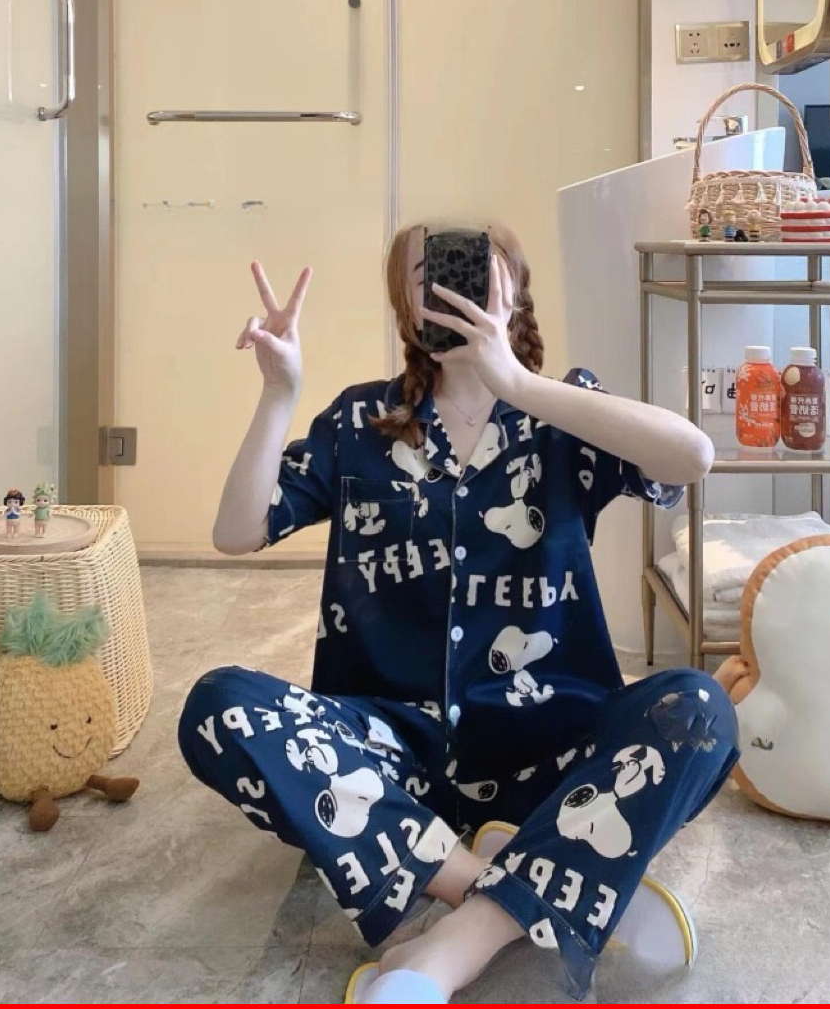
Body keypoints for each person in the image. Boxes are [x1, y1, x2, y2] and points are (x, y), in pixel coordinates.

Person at [179, 223, 739, 1004]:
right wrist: (279, 392)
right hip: (391, 755)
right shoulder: (359, 422)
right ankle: (512, 882)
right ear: (404, 308)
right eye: (426, 277)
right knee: (219, 706)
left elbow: (692, 457)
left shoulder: (564, 412)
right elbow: (237, 531)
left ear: (514, 291)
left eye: (474, 271)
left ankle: (453, 947)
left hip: (555, 748)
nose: (449, 288)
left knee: (701, 708)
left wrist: (519, 383)